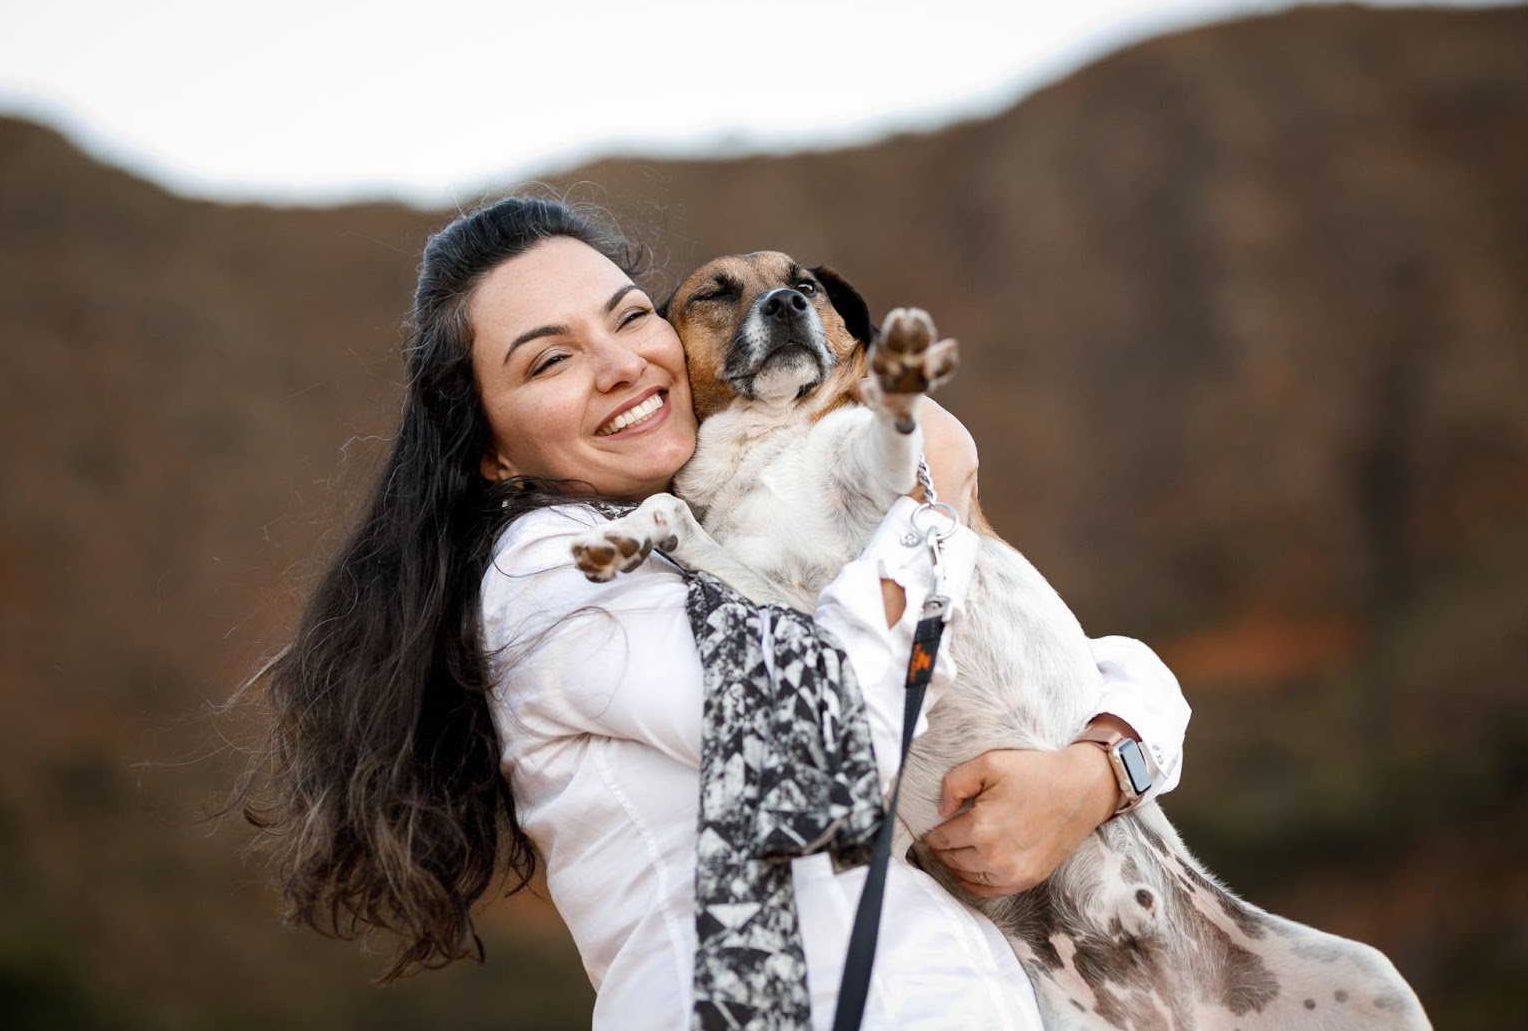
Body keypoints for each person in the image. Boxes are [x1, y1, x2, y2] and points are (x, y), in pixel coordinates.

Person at [235, 197, 1191, 1029]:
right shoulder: (556, 576)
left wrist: (1100, 769)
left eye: (627, 319)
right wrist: (931, 507)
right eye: (549, 362)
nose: (619, 367)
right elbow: (825, 742)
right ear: (489, 450)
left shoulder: (709, 533)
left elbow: (1069, 652)